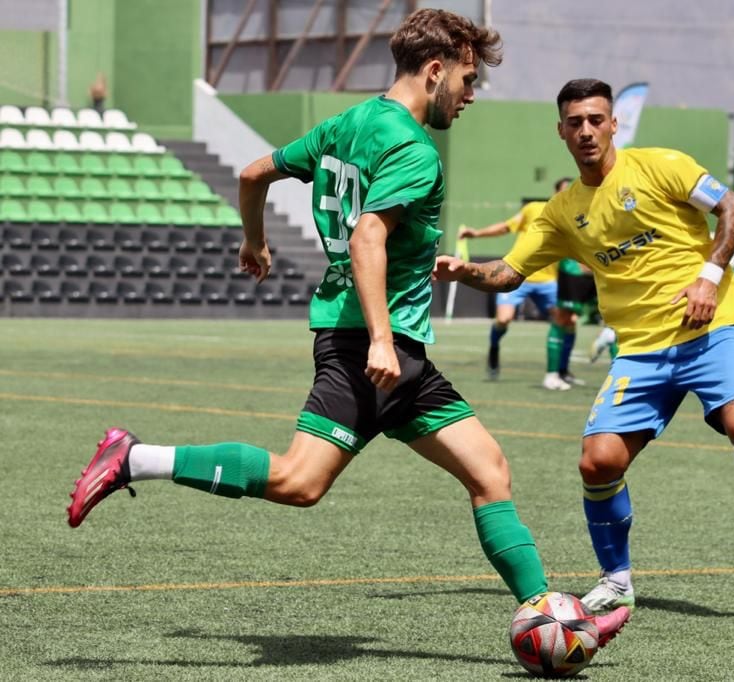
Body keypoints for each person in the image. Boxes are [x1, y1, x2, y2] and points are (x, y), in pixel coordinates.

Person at [66, 15, 630, 644]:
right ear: (436, 71)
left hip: (392, 350)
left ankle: (546, 611)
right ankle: (133, 457)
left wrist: (255, 242)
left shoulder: (347, 124)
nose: (472, 94)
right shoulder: (413, 148)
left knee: (489, 471)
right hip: (370, 344)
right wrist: (383, 337)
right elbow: (368, 236)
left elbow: (253, 173)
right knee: (298, 481)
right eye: (469, 80)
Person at [435, 78, 734, 616]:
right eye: (574, 122)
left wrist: (708, 278)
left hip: (711, 328)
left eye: (595, 120)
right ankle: (617, 578)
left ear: (613, 123)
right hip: (640, 351)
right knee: (597, 463)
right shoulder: (560, 211)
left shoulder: (661, 166)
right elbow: (509, 272)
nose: (585, 131)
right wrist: (468, 271)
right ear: (561, 131)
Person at [458, 178, 573, 390]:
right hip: (520, 275)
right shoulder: (534, 209)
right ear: (555, 192)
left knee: (569, 322)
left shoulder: (573, 216)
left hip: (549, 281)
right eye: (564, 190)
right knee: (504, 318)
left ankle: (561, 371)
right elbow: (505, 227)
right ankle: (494, 347)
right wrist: (476, 233)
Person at [551, 255, 597, 386]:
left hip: (604, 267)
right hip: (574, 270)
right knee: (565, 319)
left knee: (613, 323)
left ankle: (563, 371)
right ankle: (553, 374)